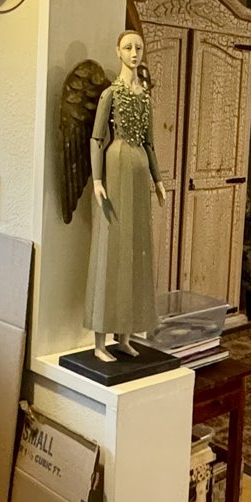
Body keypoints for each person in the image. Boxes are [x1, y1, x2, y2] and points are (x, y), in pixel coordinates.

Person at [86, 31, 167, 359]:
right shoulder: (110, 94)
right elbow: (96, 138)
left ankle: (125, 334)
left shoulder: (145, 98)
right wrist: (97, 179)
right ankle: (99, 342)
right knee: (111, 248)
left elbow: (149, 143)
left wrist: (158, 180)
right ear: (117, 51)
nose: (134, 53)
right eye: (128, 48)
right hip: (116, 166)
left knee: (136, 248)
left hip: (138, 169)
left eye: (138, 48)